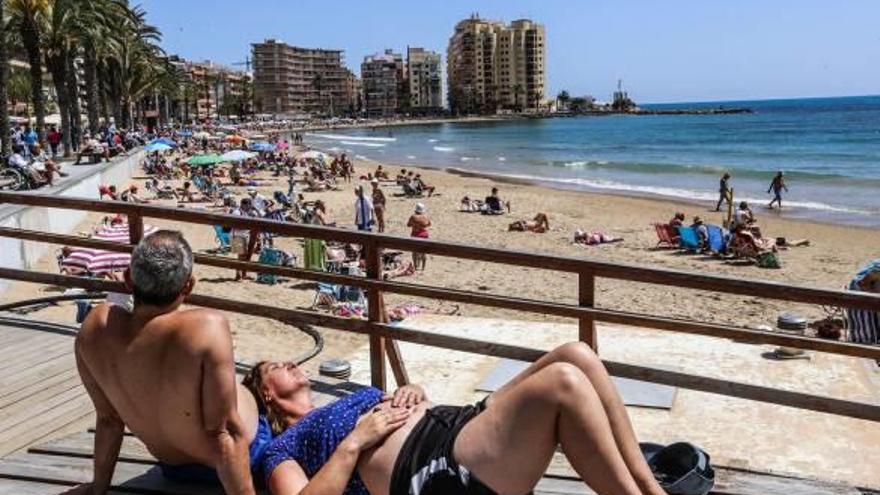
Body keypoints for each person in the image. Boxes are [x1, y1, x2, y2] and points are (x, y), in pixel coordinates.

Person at [246, 340, 668, 495]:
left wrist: (412, 395)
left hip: (452, 423)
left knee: (577, 355)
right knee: (563, 383)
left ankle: (651, 488)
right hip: (430, 467)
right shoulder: (283, 448)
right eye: (276, 367)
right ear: (266, 392)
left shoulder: (337, 404)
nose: (290, 362)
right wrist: (355, 442)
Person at [70, 231, 264, 495]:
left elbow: (108, 420)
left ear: (128, 279)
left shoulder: (94, 328)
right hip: (241, 460)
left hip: (173, 467)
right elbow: (226, 433)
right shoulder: (205, 327)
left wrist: (98, 488)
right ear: (189, 286)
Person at [232, 198, 260, 280]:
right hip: (237, 235)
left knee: (245, 256)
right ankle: (238, 274)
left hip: (245, 235)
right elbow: (235, 225)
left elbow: (260, 218)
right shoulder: (237, 212)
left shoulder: (247, 212)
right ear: (244, 205)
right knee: (241, 256)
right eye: (249, 205)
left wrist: (256, 210)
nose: (250, 207)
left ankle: (243, 274)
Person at [407, 203, 431, 271]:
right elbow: (429, 224)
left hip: (415, 234)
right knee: (424, 252)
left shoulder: (413, 217)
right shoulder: (425, 217)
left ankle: (416, 266)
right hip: (424, 234)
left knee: (414, 251)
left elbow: (408, 224)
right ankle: (423, 267)